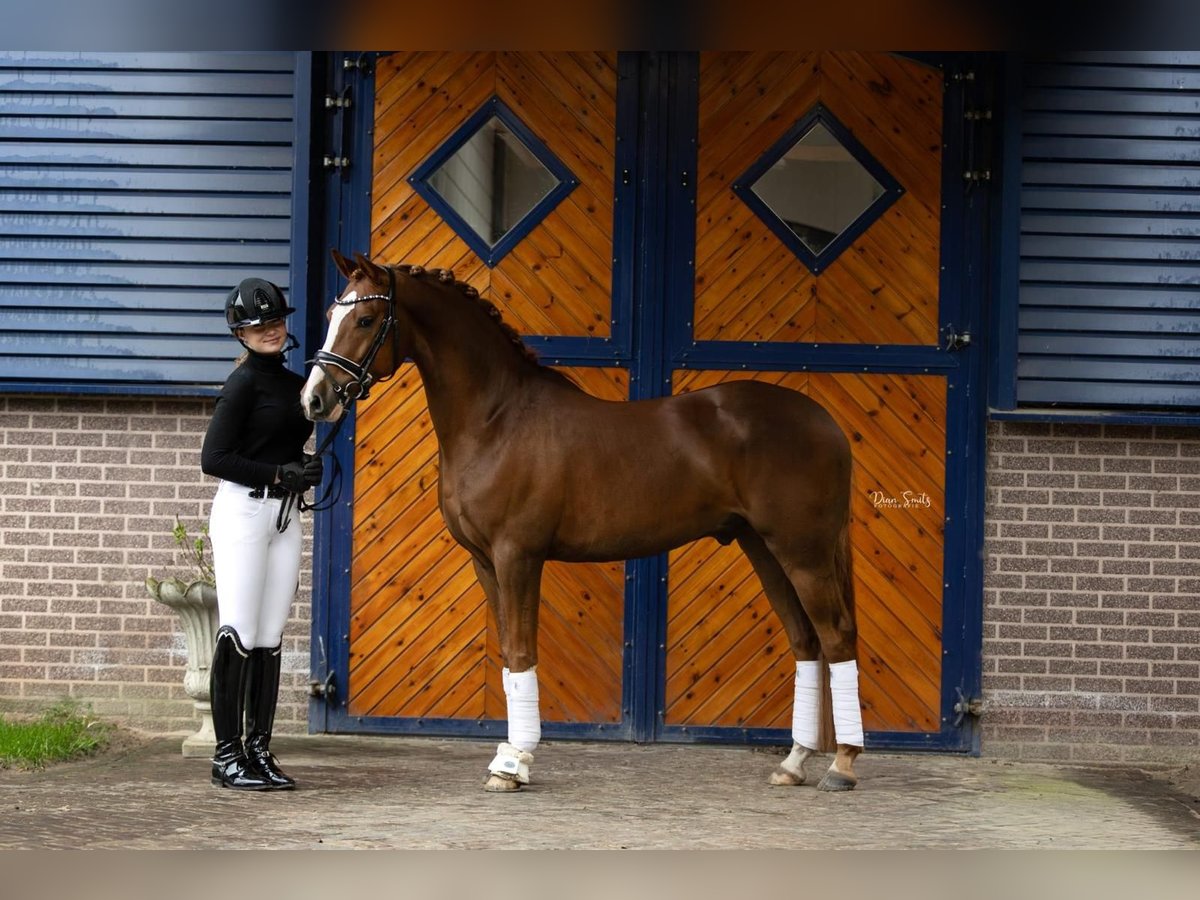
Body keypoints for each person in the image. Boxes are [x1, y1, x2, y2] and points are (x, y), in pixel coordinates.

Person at [200, 277, 323, 791]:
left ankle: (258, 750)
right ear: (241, 334)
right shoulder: (242, 384)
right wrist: (278, 473)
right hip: (243, 515)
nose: (269, 330)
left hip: (284, 516)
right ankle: (226, 756)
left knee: (270, 635)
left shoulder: (297, 384)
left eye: (274, 321)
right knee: (239, 631)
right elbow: (214, 458)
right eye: (258, 325)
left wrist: (305, 466)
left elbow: (283, 445)